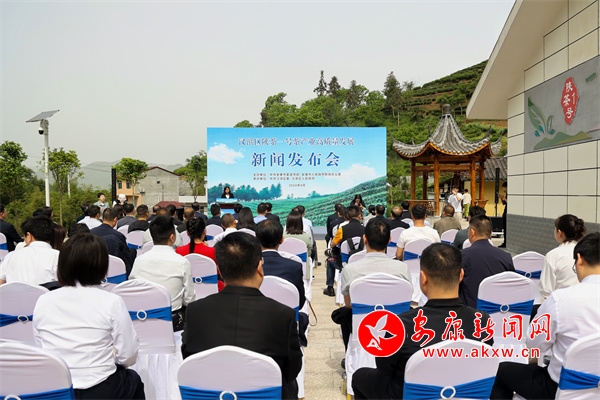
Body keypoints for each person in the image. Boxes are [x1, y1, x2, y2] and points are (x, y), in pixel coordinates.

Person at [352, 243, 494, 399]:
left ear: (423, 278)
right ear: (461, 275)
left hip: (406, 394)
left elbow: (385, 368)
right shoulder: (482, 321)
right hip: (462, 393)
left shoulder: (400, 326)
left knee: (360, 376)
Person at [181, 232, 302, 399]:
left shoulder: (195, 311)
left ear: (219, 270)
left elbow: (189, 360)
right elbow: (292, 369)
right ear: (259, 267)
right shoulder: (283, 315)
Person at [32, 233, 144, 399]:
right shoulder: (111, 301)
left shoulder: (43, 300)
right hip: (100, 387)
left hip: (57, 388)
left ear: (63, 264)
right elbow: (129, 355)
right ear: (101, 265)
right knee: (133, 379)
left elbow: (41, 347)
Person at [491, 232, 600, 399]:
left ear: (579, 259)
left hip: (558, 389)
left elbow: (535, 343)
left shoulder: (560, 300)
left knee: (501, 371)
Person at [337, 219, 412, 350]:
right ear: (389, 239)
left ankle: (350, 351)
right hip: (396, 326)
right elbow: (406, 299)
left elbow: (349, 304)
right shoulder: (402, 268)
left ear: (364, 239)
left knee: (344, 313)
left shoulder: (350, 269)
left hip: (362, 326)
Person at [130, 215, 195, 331]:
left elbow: (132, 288)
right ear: (172, 237)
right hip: (173, 322)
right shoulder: (182, 262)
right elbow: (189, 300)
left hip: (143, 320)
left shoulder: (138, 261)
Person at [459, 214, 514, 307]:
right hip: (498, 309)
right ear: (490, 233)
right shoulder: (506, 257)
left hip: (470, 310)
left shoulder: (462, 256)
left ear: (472, 232)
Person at [256, 219, 305, 311]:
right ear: (282, 240)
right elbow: (300, 302)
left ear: (256, 239)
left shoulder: (247, 267)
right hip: (287, 317)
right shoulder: (295, 266)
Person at [0, 216, 59, 285]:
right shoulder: (58, 256)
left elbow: (1, 282)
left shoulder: (10, 257)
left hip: (15, 292)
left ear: (29, 236)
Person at [539, 214, 586, 299]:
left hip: (561, 303)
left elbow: (546, 291)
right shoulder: (588, 252)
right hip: (587, 301)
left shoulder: (553, 255)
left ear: (559, 233)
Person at [325, 205, 365, 296]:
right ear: (359, 215)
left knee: (330, 260)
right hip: (362, 261)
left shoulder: (342, 229)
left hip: (344, 263)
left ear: (347, 215)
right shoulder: (366, 230)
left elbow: (332, 244)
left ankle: (330, 287)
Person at [91, 208, 136, 277]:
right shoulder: (118, 235)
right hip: (115, 268)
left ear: (102, 218)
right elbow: (125, 254)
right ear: (115, 219)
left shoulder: (91, 232)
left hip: (94, 264)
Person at [498, 181, 507, 248]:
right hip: (505, 213)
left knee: (507, 228)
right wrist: (501, 198)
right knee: (504, 228)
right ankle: (505, 241)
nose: (504, 189)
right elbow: (504, 203)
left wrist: (504, 198)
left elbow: (510, 202)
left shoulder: (511, 194)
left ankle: (506, 242)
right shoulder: (507, 194)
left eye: (505, 188)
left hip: (508, 214)